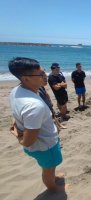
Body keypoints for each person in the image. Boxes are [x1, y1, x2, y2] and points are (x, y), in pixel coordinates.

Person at [8, 57, 66, 192]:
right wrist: (17, 134)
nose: (45, 77)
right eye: (40, 75)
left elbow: (16, 115)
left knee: (50, 167)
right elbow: (27, 142)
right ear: (25, 78)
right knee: (48, 169)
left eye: (44, 72)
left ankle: (54, 177)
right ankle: (53, 189)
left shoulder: (17, 91)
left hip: (43, 144)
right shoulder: (33, 106)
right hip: (45, 146)